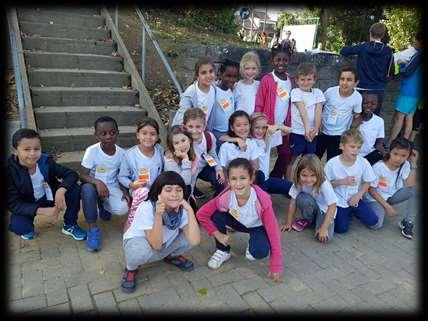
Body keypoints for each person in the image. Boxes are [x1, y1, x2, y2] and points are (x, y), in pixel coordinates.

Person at [196, 158, 283, 282]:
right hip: (237, 222)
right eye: (234, 179)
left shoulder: (262, 201)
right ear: (228, 180)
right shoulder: (226, 196)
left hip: (257, 226)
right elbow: (201, 214)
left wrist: (276, 265)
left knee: (259, 252)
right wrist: (218, 234)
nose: (238, 183)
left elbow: (274, 233)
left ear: (251, 179)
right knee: (216, 215)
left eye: (243, 178)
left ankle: (253, 242)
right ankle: (223, 250)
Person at [121, 171, 200, 293]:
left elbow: (195, 241)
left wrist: (189, 210)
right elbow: (156, 245)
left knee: (189, 237)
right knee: (140, 252)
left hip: (162, 243)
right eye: (168, 190)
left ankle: (170, 256)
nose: (174, 194)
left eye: (179, 190)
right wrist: (158, 215)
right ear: (158, 193)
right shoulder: (147, 207)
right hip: (142, 242)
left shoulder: (182, 209)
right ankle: (131, 268)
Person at [7, 128, 86, 240]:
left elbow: (71, 174)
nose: (33, 154)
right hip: (27, 203)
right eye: (27, 149)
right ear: (15, 150)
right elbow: (13, 204)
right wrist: (42, 211)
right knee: (20, 227)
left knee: (74, 188)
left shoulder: (45, 161)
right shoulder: (9, 171)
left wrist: (61, 189)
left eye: (37, 149)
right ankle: (27, 226)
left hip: (48, 196)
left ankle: (70, 224)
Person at [80, 116, 130, 252]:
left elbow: (122, 175)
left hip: (112, 186)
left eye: (112, 132)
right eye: (103, 133)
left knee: (123, 208)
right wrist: (97, 182)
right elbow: (82, 175)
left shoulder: (122, 154)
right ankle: (93, 229)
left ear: (117, 132)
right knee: (87, 190)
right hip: (92, 185)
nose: (109, 136)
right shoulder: (92, 151)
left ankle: (103, 206)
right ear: (96, 135)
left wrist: (125, 192)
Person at [324, 128, 379, 234]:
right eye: (352, 147)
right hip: (338, 200)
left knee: (373, 221)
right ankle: (344, 214)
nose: (356, 150)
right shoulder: (332, 163)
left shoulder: (363, 162)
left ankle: (352, 212)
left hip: (355, 198)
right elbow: (325, 185)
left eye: (358, 147)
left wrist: (358, 195)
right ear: (342, 146)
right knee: (341, 229)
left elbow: (368, 181)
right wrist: (341, 182)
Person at [255, 46, 296, 179]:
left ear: (289, 61)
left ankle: (276, 176)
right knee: (264, 154)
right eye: (278, 60)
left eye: (285, 60)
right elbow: (259, 102)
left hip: (283, 126)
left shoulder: (291, 80)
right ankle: (262, 179)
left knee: (285, 154)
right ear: (272, 61)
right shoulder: (267, 79)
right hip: (268, 126)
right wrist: (259, 123)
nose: (281, 63)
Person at [365, 137, 418, 239]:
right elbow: (371, 190)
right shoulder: (379, 167)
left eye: (403, 156)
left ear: (408, 156)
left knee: (416, 191)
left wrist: (414, 164)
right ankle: (363, 210)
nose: (398, 159)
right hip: (374, 199)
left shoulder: (406, 164)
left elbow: (410, 184)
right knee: (376, 225)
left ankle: (407, 222)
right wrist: (387, 207)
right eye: (395, 154)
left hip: (390, 196)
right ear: (390, 151)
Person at [119, 117, 164, 231]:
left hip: (156, 188)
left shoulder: (160, 151)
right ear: (138, 135)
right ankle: (132, 220)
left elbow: (164, 170)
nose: (148, 137)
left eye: (152, 134)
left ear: (158, 136)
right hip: (138, 190)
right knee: (143, 192)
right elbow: (122, 176)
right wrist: (131, 184)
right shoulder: (129, 155)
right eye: (144, 133)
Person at [340, 22, 394, 115]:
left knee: (357, 116)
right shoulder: (388, 51)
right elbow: (391, 70)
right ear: (383, 35)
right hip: (378, 89)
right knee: (373, 118)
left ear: (370, 33)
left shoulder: (363, 47)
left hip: (362, 88)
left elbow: (344, 51)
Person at [281, 154, 337, 243]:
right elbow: (293, 202)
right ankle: (309, 220)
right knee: (301, 198)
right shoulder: (298, 182)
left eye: (312, 175)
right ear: (298, 173)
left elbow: (333, 206)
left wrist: (324, 228)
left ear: (319, 174)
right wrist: (288, 222)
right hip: (311, 204)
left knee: (325, 238)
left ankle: (319, 221)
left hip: (325, 210)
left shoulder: (324, 183)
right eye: (304, 175)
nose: (308, 179)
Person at [288, 62, 325, 179]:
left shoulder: (318, 93)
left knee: (307, 160)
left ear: (314, 80)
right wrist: (307, 129)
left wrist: (316, 130)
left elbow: (319, 111)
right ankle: (288, 183)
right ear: (297, 80)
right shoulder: (295, 92)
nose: (305, 82)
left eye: (309, 79)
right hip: (298, 132)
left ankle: (303, 181)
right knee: (293, 158)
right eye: (302, 79)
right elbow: (302, 110)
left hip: (312, 133)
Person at [316, 66, 362, 161]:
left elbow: (357, 115)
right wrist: (318, 123)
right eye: (342, 79)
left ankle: (327, 176)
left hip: (339, 135)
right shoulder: (330, 92)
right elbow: (320, 107)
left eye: (349, 80)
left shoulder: (357, 97)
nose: (344, 82)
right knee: (315, 158)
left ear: (356, 82)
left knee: (332, 161)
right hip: (322, 131)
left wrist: (350, 132)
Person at [387, 32, 423, 147]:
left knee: (399, 117)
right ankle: (405, 145)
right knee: (409, 117)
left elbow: (407, 71)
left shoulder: (419, 55)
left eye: (415, 41)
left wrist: (401, 65)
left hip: (408, 90)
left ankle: (390, 145)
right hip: (417, 92)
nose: (413, 43)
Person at [183, 108, 225, 199]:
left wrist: (218, 169)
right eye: (190, 126)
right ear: (184, 126)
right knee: (188, 190)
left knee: (221, 181)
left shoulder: (209, 137)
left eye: (198, 127)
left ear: (204, 126)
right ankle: (192, 195)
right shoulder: (183, 140)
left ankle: (215, 202)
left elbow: (213, 154)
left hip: (204, 166)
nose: (194, 130)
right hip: (189, 170)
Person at [250, 112, 292, 196]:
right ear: (251, 127)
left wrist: (276, 126)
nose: (260, 131)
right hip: (255, 183)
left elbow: (289, 130)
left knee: (293, 188)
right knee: (264, 202)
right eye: (257, 128)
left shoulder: (268, 138)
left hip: (267, 180)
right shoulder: (249, 141)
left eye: (263, 127)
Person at [218, 110, 264, 184]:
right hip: (231, 179)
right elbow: (222, 168)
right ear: (232, 128)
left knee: (260, 175)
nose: (242, 128)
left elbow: (255, 166)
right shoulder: (226, 146)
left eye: (245, 124)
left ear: (250, 125)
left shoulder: (252, 143)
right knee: (219, 179)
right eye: (238, 125)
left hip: (246, 179)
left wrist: (249, 182)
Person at [172, 57, 216, 126]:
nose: (208, 75)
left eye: (211, 71)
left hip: (204, 130)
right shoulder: (190, 94)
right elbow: (179, 120)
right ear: (197, 76)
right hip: (192, 131)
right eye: (203, 73)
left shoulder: (214, 87)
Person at [164, 125, 199, 210]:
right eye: (176, 143)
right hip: (171, 192)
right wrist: (185, 159)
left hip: (186, 192)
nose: (181, 145)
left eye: (183, 140)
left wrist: (191, 195)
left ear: (189, 140)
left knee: (195, 215)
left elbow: (192, 179)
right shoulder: (169, 160)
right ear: (172, 146)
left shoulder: (195, 156)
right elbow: (184, 182)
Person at [208, 59, 239, 144]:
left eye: (234, 77)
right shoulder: (213, 90)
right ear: (220, 74)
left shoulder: (232, 90)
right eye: (228, 76)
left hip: (228, 131)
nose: (231, 79)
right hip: (215, 131)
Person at [351, 92, 386, 165]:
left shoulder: (379, 121)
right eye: (365, 103)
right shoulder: (353, 118)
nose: (369, 106)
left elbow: (379, 144)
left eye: (373, 104)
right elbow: (345, 138)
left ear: (377, 105)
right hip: (353, 154)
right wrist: (354, 126)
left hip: (369, 155)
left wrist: (385, 154)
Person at [234, 51, 261, 115]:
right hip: (240, 121)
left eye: (253, 68)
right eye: (247, 68)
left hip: (254, 121)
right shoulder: (237, 86)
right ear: (242, 69)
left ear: (258, 69)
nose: (250, 71)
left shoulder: (259, 85)